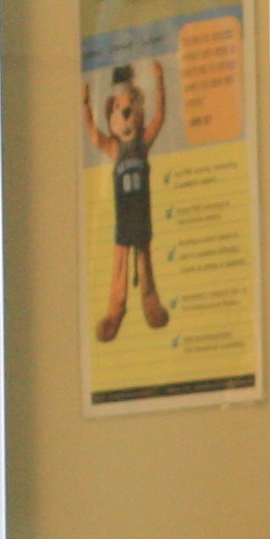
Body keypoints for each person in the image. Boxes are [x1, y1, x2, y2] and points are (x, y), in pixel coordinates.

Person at [87, 61, 169, 341]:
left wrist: (160, 82)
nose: (125, 114)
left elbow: (160, 117)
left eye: (131, 107)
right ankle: (115, 311)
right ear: (111, 116)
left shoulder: (143, 144)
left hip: (142, 217)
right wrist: (85, 106)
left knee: (145, 263)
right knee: (119, 266)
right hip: (123, 221)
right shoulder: (114, 149)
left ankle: (150, 303)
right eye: (119, 109)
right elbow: (94, 135)